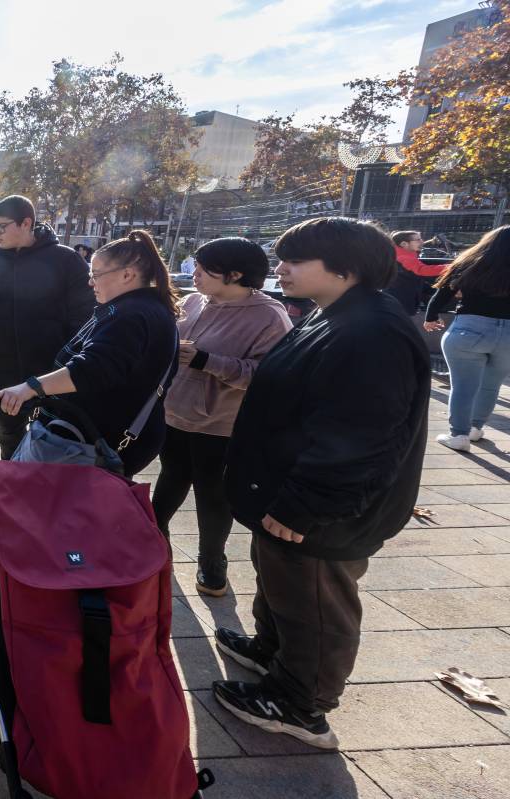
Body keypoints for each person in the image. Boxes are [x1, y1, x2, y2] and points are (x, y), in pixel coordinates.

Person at [212, 218, 430, 749]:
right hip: (285, 492)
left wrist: (304, 505)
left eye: (296, 260)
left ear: (344, 269)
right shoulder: (333, 314)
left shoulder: (373, 332)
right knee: (280, 584)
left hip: (320, 511)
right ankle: (272, 650)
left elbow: (361, 436)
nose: (281, 269)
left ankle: (300, 702)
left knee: (313, 603)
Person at [150, 238, 292, 596]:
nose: (194, 273)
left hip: (221, 426)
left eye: (203, 268)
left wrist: (206, 361)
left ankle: (212, 562)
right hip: (173, 414)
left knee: (212, 495)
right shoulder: (193, 301)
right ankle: (152, 545)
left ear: (235, 274)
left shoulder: (268, 316)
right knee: (170, 480)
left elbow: (268, 375)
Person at [0, 230, 178, 477]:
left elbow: (91, 369)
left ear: (127, 275)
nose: (91, 282)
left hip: (93, 445)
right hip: (100, 440)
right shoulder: (142, 307)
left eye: (96, 275)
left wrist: (30, 387)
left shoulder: (130, 315)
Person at [0, 195, 95, 458]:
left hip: (53, 371)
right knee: (9, 436)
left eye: (2, 226)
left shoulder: (65, 260)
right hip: (0, 369)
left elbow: (85, 314)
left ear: (26, 223)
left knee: (55, 440)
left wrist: (70, 358)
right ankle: (12, 481)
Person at [424, 225, 510, 451]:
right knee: (491, 385)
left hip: (470, 329)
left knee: (462, 386)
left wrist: (431, 317)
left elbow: (441, 294)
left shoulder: (470, 262)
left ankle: (458, 435)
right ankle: (475, 428)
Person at [386, 230, 443, 314]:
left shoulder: (402, 255)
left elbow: (413, 278)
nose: (422, 242)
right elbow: (422, 270)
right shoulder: (403, 257)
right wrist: (451, 267)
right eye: (418, 240)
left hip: (398, 301)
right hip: (400, 302)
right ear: (404, 244)